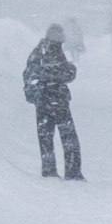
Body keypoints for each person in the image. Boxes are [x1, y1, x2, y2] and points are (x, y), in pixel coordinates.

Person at [23, 24, 83, 180]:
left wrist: (36, 93)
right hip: (58, 100)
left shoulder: (40, 51)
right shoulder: (51, 51)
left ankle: (49, 171)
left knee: (46, 138)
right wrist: (67, 70)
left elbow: (31, 74)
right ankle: (72, 172)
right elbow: (63, 74)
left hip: (43, 102)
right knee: (68, 137)